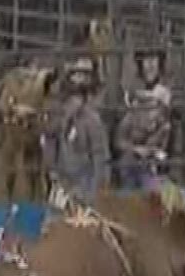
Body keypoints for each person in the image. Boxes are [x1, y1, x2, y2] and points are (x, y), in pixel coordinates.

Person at [45, 65, 109, 199]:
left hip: (85, 180)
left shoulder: (92, 121)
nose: (69, 104)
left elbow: (100, 155)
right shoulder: (59, 117)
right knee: (56, 215)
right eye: (66, 100)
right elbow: (50, 139)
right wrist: (52, 168)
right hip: (63, 178)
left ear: (81, 99)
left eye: (74, 98)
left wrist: (96, 188)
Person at [114, 50, 174, 189]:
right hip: (134, 155)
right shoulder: (132, 95)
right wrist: (137, 149)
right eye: (147, 60)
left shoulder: (166, 90)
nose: (150, 64)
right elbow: (119, 139)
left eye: (154, 59)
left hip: (157, 156)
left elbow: (167, 132)